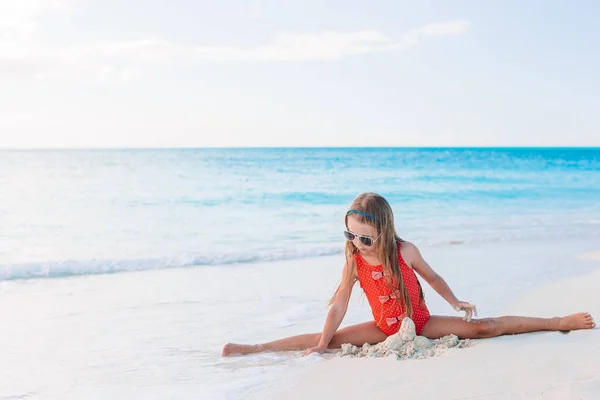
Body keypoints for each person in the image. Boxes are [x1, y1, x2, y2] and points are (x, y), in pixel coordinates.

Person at [222, 192, 595, 357]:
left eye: (364, 237)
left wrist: (455, 301)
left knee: (485, 328)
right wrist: (321, 342)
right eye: (349, 234)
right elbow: (338, 305)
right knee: (329, 339)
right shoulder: (354, 258)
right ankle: (256, 347)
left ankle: (556, 320)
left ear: (384, 231)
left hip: (420, 322)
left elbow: (432, 278)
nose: (356, 241)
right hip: (383, 327)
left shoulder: (405, 251)